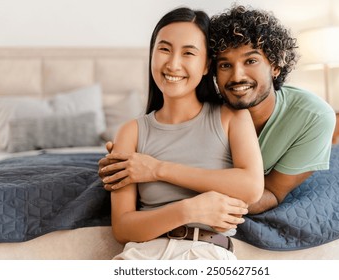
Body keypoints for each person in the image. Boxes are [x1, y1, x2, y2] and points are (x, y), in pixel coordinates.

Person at [99, 5, 336, 215]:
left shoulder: (313, 117)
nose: (237, 76)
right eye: (225, 65)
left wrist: (192, 205)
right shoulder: (205, 115)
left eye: (251, 61)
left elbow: (270, 192)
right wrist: (128, 163)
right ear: (211, 69)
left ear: (275, 65)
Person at [106, 7, 264, 260]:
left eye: (188, 52)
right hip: (142, 256)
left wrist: (158, 169)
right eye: (164, 49)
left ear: (206, 65)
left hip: (207, 254)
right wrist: (189, 210)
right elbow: (123, 228)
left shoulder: (231, 117)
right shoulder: (131, 132)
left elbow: (251, 187)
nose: (173, 63)